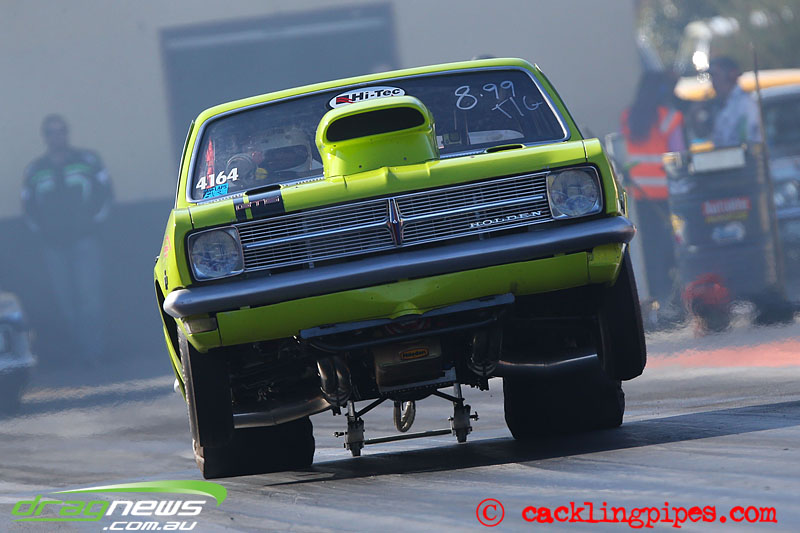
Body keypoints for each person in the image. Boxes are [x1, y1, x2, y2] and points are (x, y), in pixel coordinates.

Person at [21, 114, 113, 363]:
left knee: (90, 299)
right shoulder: (35, 170)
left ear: (67, 133)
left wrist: (92, 225)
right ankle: (79, 353)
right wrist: (44, 233)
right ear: (45, 137)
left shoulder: (88, 161)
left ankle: (95, 354)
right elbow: (28, 208)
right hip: (53, 247)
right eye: (51, 132)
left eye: (60, 131)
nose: (57, 136)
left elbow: (106, 195)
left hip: (85, 241)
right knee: (65, 302)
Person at [621, 71, 686, 304]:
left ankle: (657, 294)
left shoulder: (629, 117)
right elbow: (679, 156)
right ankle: (673, 296)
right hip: (666, 195)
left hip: (639, 195)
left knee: (650, 247)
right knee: (673, 244)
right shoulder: (669, 118)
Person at [708, 56, 762, 148]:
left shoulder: (745, 105)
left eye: (716, 76)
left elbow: (748, 141)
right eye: (712, 78)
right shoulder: (722, 106)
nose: (713, 83)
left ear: (731, 75)